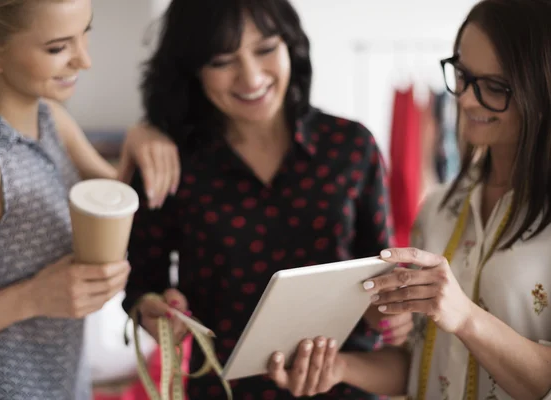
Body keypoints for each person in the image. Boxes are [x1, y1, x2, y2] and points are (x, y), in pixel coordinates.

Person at [121, 0, 413, 398]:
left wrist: (391, 313)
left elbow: (380, 271)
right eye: (223, 60)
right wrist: (155, 311)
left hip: (344, 383)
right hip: (224, 389)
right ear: (193, 69)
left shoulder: (350, 146)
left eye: (265, 49)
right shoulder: (169, 161)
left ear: (291, 46)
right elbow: (140, 286)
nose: (251, 77)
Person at [266, 0, 551, 399]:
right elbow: (420, 364)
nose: (466, 100)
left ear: (540, 89)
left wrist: (465, 317)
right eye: (464, 76)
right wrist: (338, 368)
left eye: (494, 87)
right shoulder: (439, 209)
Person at [0, 1, 165, 398]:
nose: (84, 60)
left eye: (86, 33)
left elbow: (125, 195)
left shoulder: (48, 116)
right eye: (57, 48)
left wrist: (143, 135)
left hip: (59, 380)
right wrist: (32, 297)